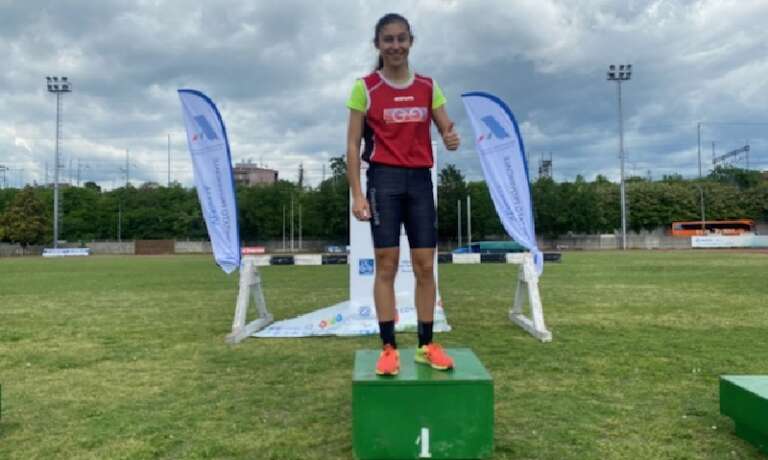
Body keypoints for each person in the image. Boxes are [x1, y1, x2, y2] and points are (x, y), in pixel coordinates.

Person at [346, 13, 460, 376]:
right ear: (377, 45)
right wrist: (358, 195)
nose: (395, 46)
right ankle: (389, 348)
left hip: (420, 183)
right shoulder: (365, 88)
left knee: (426, 266)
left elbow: (446, 129)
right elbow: (351, 145)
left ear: (411, 41)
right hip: (384, 181)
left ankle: (427, 345)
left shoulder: (428, 86)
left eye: (401, 39)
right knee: (387, 266)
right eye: (388, 40)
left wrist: (451, 138)